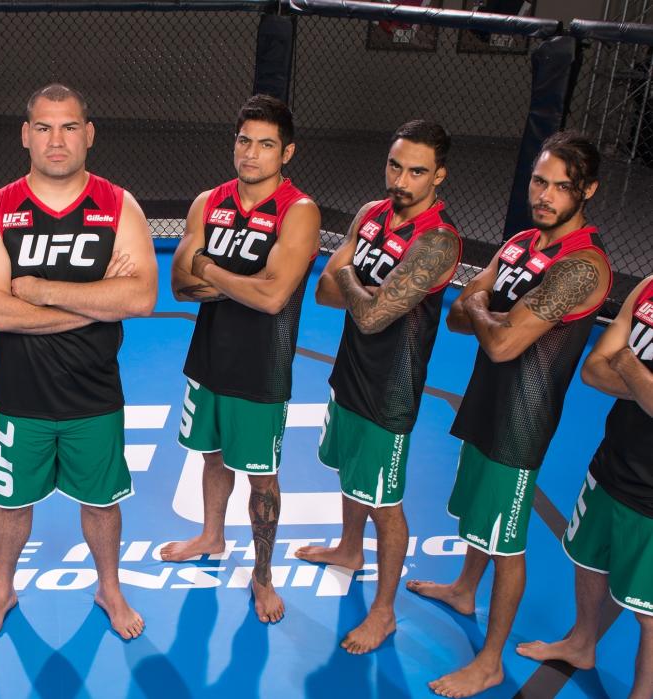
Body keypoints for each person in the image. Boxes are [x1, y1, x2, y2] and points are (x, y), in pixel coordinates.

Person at [408, 131, 613, 698]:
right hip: (486, 404)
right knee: (479, 515)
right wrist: (489, 311)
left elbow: (498, 343)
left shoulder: (583, 266)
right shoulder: (524, 241)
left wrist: (485, 306)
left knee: (506, 540)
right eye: (539, 181)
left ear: (587, 191)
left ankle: (491, 660)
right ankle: (463, 589)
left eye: (560, 187)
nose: (544, 196)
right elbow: (458, 316)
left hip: (521, 420)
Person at [0, 84, 156, 641]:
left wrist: (44, 290)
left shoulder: (120, 206)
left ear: (88, 134)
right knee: (10, 503)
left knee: (101, 503)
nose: (56, 139)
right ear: (26, 135)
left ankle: (109, 587)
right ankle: (2, 587)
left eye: (69, 127)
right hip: (19, 392)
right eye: (44, 127)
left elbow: (141, 298)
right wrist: (97, 298)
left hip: (95, 392)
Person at [295, 120, 462, 654]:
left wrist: (351, 278)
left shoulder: (437, 240)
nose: (402, 180)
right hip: (349, 374)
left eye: (417, 171)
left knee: (385, 504)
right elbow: (325, 293)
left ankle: (384, 612)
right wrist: (361, 288)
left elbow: (369, 315)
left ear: (439, 175)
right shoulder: (371, 214)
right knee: (350, 472)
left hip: (391, 389)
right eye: (396, 165)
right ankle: (348, 549)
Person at [161, 94, 321, 624]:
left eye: (266, 144)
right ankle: (211, 535)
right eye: (244, 141)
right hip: (208, 357)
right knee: (209, 455)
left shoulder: (298, 212)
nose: (251, 154)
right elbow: (181, 286)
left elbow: (274, 298)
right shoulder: (209, 201)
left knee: (261, 479)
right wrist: (239, 282)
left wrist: (211, 268)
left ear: (288, 152)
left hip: (262, 367)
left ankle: (263, 575)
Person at [514, 272, 653, 699]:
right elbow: (594, 369)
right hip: (613, 460)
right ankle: (580, 643)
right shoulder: (649, 285)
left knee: (649, 611)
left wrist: (628, 361)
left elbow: (616, 359)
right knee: (588, 559)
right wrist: (643, 386)